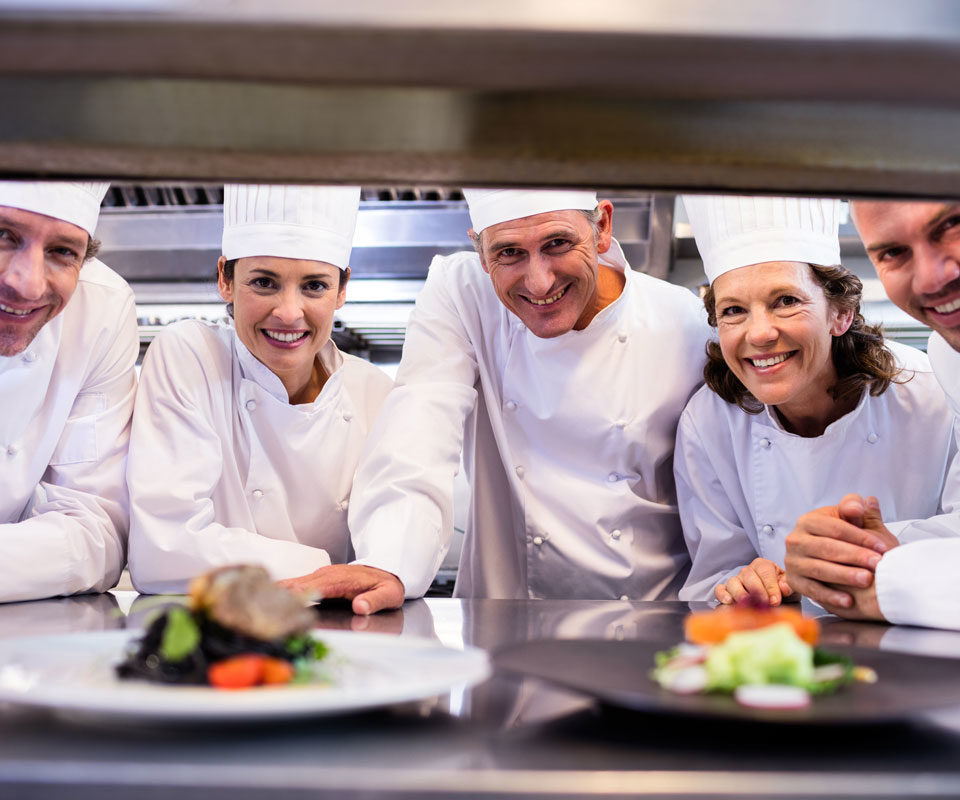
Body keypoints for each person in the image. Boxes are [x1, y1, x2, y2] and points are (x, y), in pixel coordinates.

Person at [281, 188, 711, 614]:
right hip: (505, 622)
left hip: (654, 625)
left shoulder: (684, 323)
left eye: (558, 243)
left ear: (602, 227)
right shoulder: (464, 293)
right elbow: (420, 423)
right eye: (509, 253)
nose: (539, 281)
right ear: (481, 254)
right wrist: (389, 562)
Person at [676, 195, 957, 606]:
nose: (760, 334)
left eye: (786, 301)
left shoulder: (936, 394)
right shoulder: (707, 423)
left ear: (840, 314)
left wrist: (874, 559)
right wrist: (744, 583)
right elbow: (713, 578)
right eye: (733, 310)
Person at [127, 184, 392, 594]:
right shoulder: (191, 356)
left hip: (335, 625)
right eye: (264, 282)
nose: (288, 312)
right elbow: (163, 553)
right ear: (225, 279)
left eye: (314, 286)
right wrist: (335, 573)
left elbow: (392, 545)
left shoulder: (374, 393)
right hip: (208, 624)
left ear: (342, 290)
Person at [785, 200, 960, 631]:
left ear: (840, 316)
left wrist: (893, 582)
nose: (931, 278)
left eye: (953, 224)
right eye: (893, 252)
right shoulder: (949, 354)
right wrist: (859, 550)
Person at [0, 180, 138, 603]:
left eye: (62, 251)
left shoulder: (101, 308)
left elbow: (96, 529)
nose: (28, 285)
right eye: (4, 235)